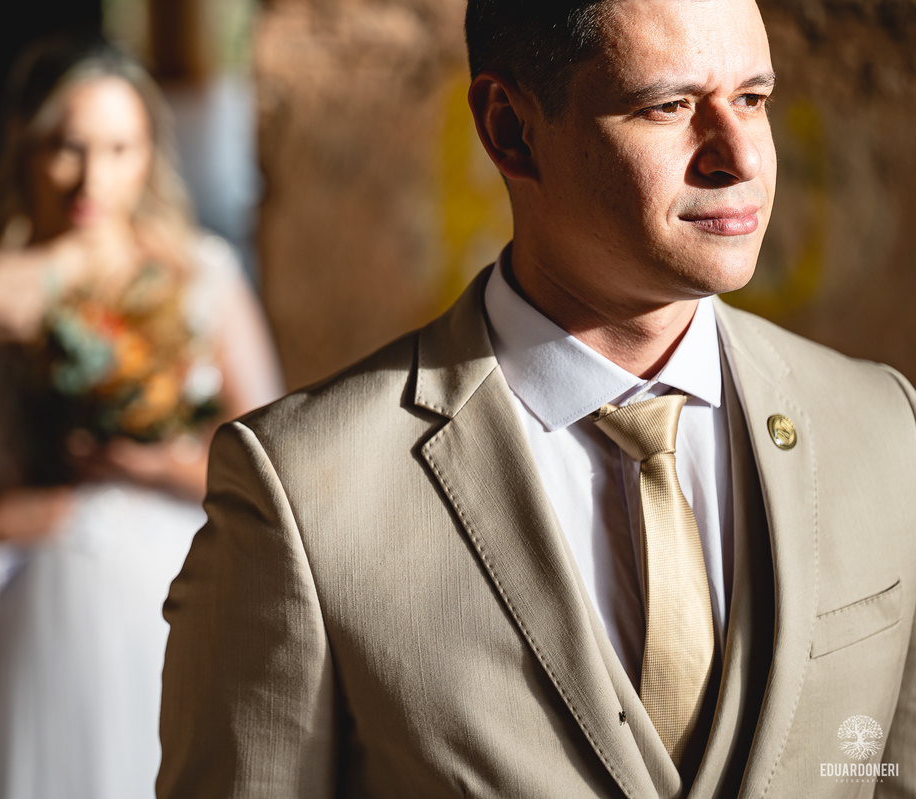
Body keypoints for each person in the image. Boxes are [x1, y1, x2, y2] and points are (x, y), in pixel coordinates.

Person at [158, 1, 915, 796]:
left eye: (753, 99)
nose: (739, 156)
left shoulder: (878, 424)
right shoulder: (301, 491)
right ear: (511, 129)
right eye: (670, 106)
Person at [0, 33, 283, 799]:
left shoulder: (197, 276)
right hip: (2, 615)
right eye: (66, 148)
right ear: (26, 147)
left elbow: (272, 462)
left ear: (149, 153)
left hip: (163, 601)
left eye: (119, 148)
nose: (93, 177)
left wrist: (148, 462)